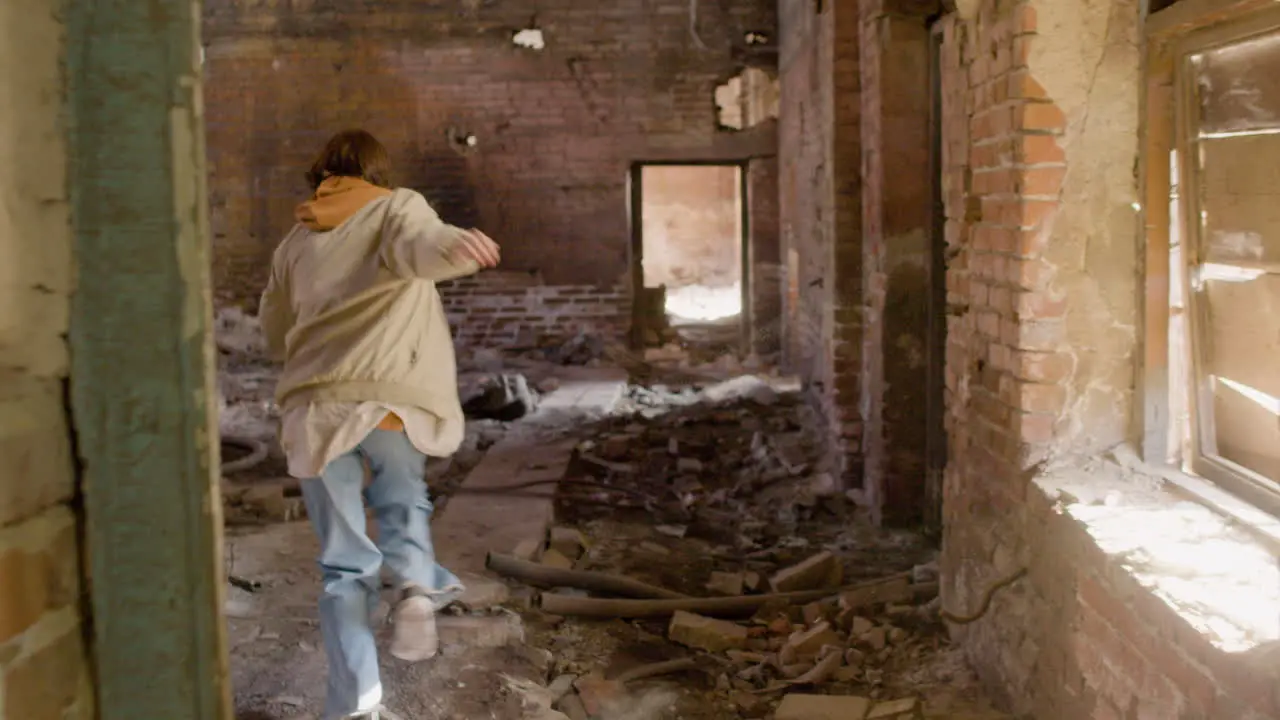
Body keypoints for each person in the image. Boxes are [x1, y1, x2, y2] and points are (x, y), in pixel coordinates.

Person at [259, 129, 501, 720]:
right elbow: (424, 244)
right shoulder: (396, 207)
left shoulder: (295, 240)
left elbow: (273, 327)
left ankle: (358, 705)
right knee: (402, 502)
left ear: (321, 173)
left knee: (343, 565)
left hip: (316, 410)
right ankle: (417, 589)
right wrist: (457, 248)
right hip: (389, 400)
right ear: (377, 172)